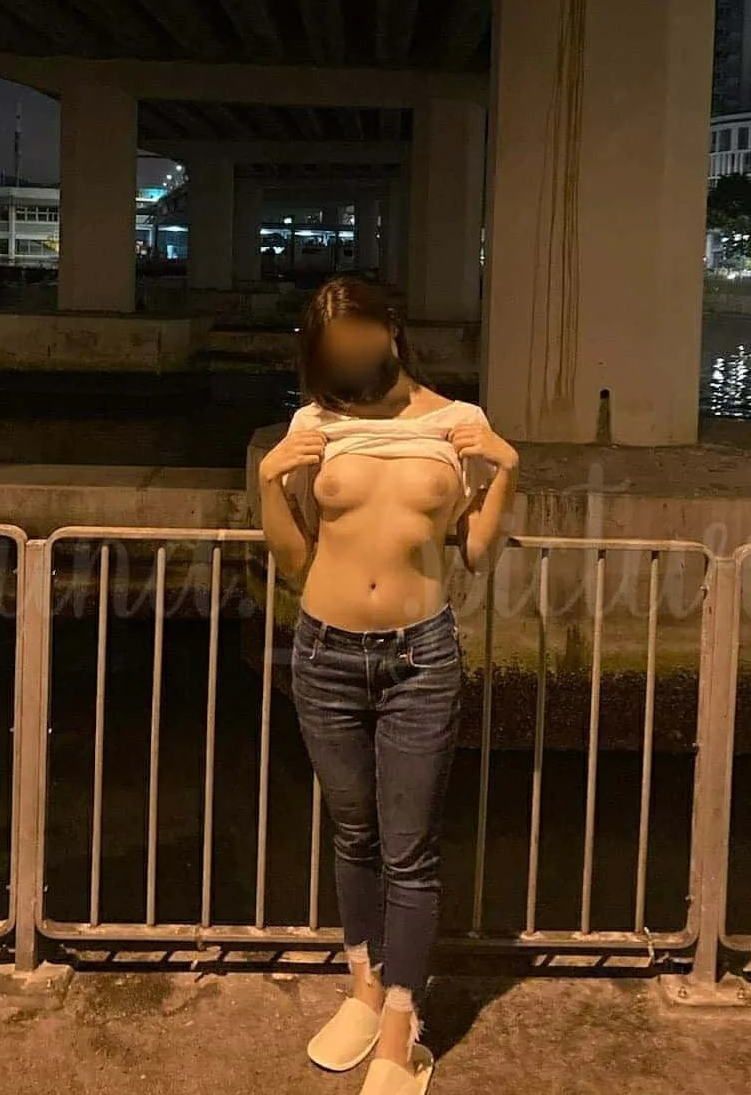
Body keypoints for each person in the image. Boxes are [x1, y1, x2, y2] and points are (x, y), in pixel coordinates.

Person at [258, 276, 519, 1095]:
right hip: (324, 652)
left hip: (419, 658)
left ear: (392, 335)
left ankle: (402, 1026)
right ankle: (363, 989)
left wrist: (506, 470)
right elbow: (294, 563)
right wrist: (269, 477)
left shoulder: (457, 424)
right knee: (352, 834)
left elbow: (475, 553)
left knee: (410, 852)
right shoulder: (313, 426)